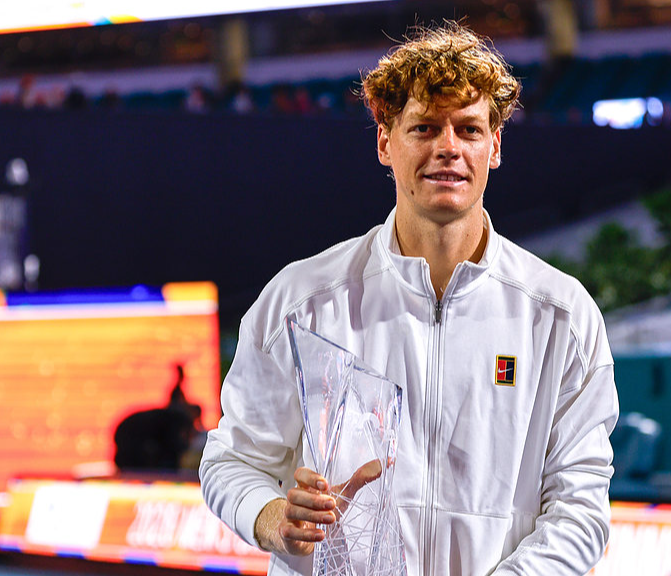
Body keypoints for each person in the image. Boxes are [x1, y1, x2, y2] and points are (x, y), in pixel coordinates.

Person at [200, 23, 619, 576]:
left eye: (468, 129)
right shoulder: (302, 303)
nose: (448, 148)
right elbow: (231, 460)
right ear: (384, 142)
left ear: (494, 146)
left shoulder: (561, 315)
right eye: (424, 127)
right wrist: (274, 516)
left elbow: (579, 508)